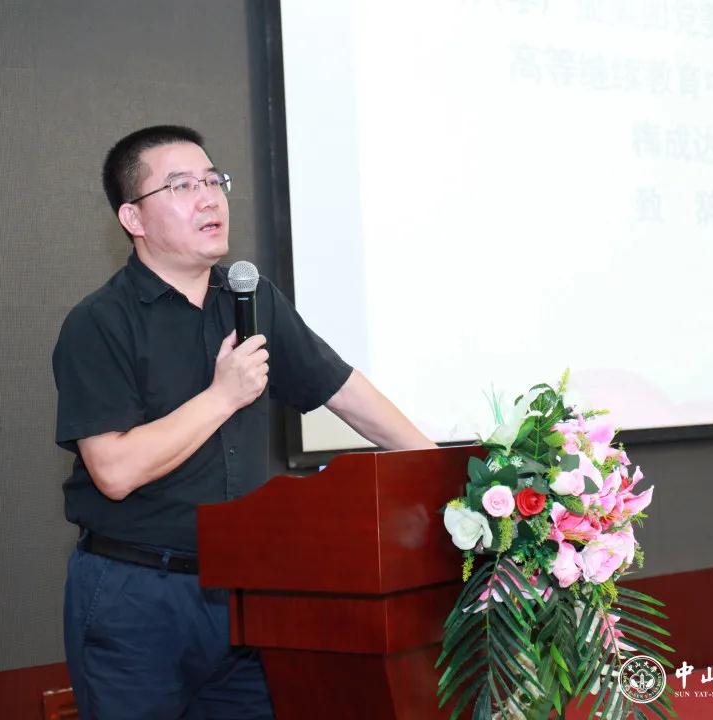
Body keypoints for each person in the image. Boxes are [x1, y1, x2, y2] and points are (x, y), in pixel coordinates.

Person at [52, 125, 434, 719]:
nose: (208, 198)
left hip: (245, 593)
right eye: (181, 186)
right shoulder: (99, 323)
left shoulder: (249, 298)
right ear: (133, 217)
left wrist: (440, 469)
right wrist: (222, 396)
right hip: (136, 594)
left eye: (213, 181)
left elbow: (342, 389)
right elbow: (115, 470)